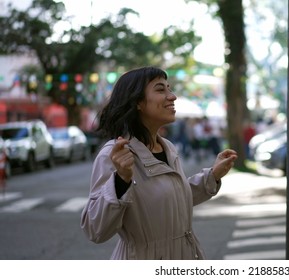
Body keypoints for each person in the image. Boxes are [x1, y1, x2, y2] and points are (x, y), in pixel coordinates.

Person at [80, 66, 237, 260]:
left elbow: (171, 197)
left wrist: (212, 176)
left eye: (169, 89)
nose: (172, 97)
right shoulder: (115, 154)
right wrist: (120, 181)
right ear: (137, 101)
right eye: (161, 89)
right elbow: (95, 229)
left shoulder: (168, 147)